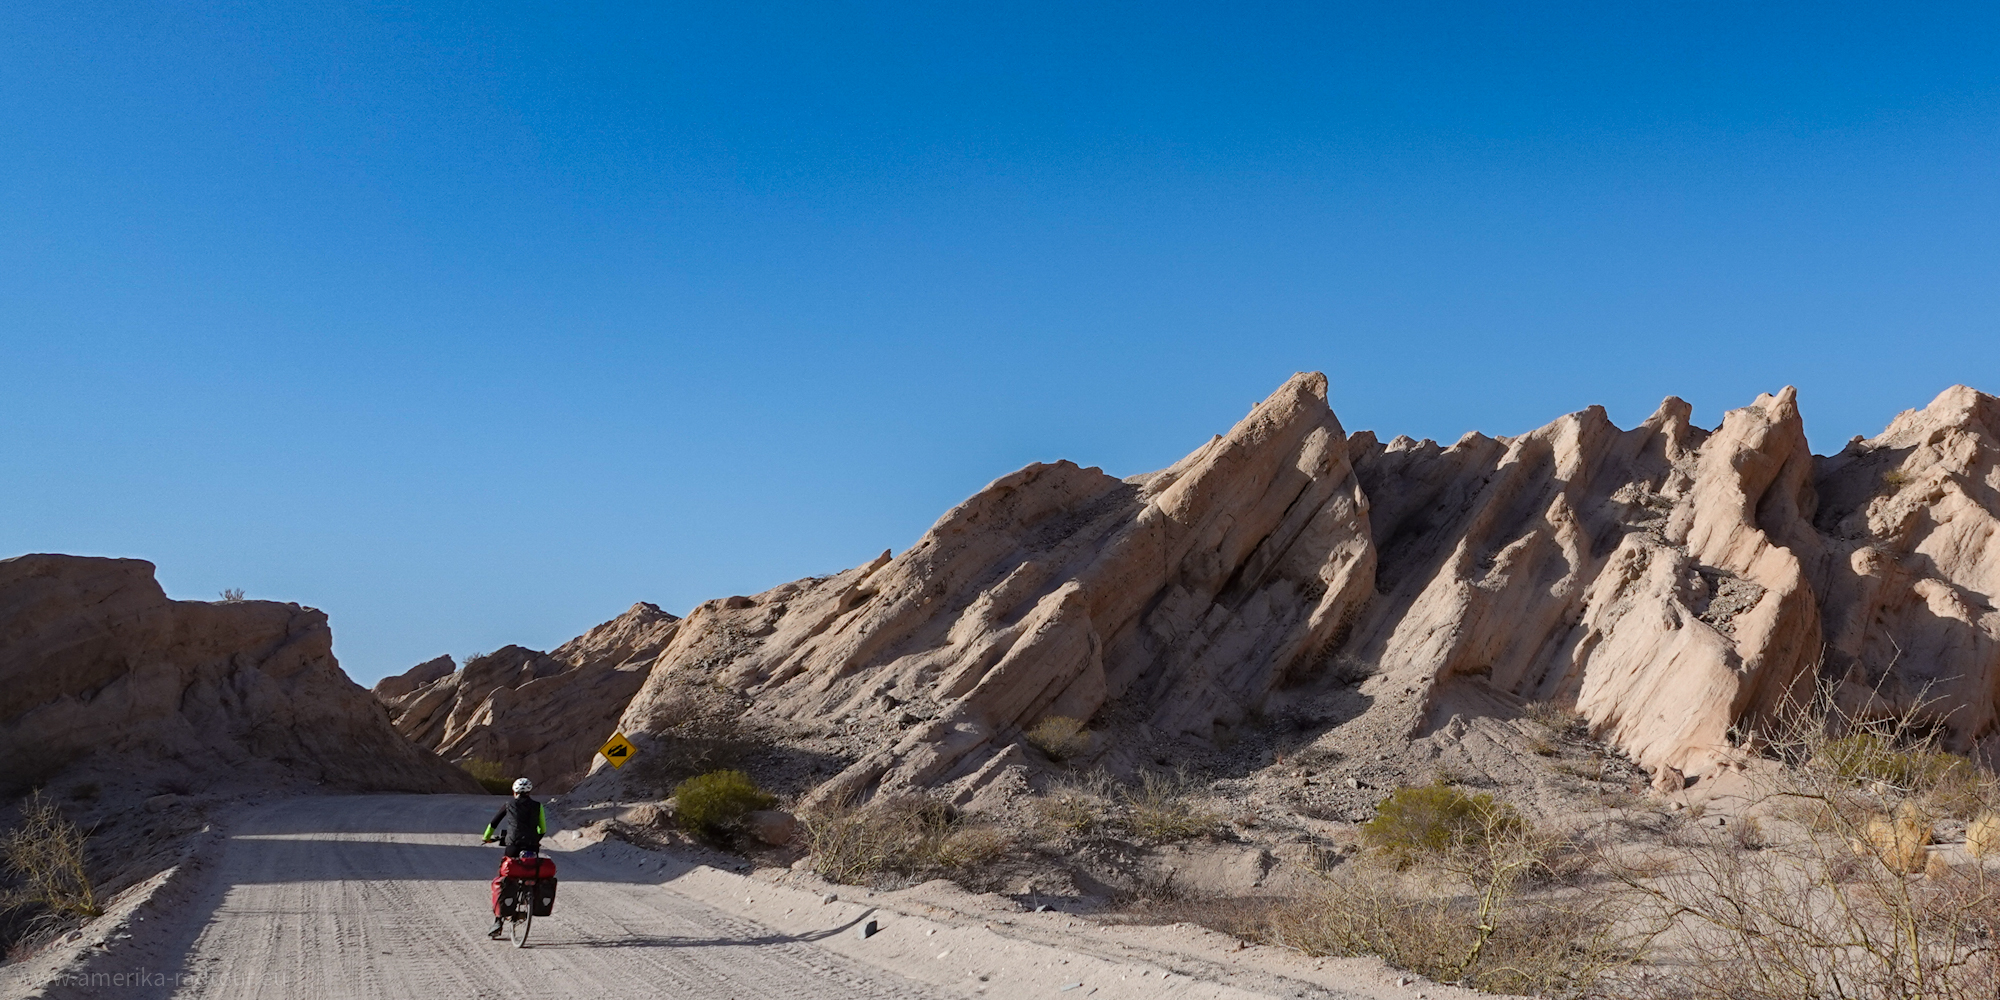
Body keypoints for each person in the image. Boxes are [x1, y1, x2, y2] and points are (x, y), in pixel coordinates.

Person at [482, 777, 547, 938]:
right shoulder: (538, 806)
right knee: (531, 870)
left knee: (504, 876)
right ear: (530, 792)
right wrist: (534, 840)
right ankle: (529, 896)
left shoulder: (508, 805)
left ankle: (498, 921)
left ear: (514, 791)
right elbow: (543, 829)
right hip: (532, 846)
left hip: (513, 846)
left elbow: (493, 823)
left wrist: (486, 838)